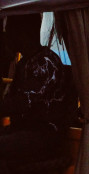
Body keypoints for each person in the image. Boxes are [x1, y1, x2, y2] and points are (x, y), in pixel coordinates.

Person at [0, 14, 72, 168]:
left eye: (9, 31)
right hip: (22, 130)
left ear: (22, 32)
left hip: (45, 134)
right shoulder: (23, 63)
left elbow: (23, 103)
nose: (6, 37)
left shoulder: (46, 62)